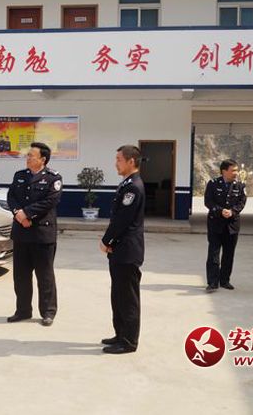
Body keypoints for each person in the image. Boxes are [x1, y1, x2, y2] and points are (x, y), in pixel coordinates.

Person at [6, 142, 63, 326]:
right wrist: (19, 214)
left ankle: (48, 312)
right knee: (21, 276)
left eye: (31, 155)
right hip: (21, 233)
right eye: (28, 155)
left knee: (45, 276)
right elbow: (11, 197)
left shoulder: (53, 178)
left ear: (42, 159)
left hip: (42, 234)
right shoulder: (20, 176)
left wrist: (27, 214)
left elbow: (50, 201)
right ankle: (23, 311)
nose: (28, 158)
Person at [99, 145, 145, 354]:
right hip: (119, 249)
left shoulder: (133, 187)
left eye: (119, 159)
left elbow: (122, 220)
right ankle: (120, 334)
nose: (115, 163)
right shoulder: (127, 184)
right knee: (118, 296)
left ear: (131, 161)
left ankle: (128, 341)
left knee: (128, 298)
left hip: (127, 250)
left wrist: (106, 240)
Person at [204, 159, 247, 292]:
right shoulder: (213, 184)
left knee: (229, 254)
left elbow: (242, 202)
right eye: (233, 170)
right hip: (216, 224)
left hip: (232, 225)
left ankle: (225, 280)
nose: (236, 173)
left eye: (236, 170)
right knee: (214, 254)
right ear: (224, 171)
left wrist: (233, 211)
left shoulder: (240, 185)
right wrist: (220, 210)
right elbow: (208, 201)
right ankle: (212, 282)